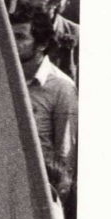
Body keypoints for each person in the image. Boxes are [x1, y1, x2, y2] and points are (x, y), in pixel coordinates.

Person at [14, 11, 77, 176]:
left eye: (20, 37)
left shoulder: (61, 87)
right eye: (9, 35)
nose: (11, 42)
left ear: (42, 44)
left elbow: (65, 152)